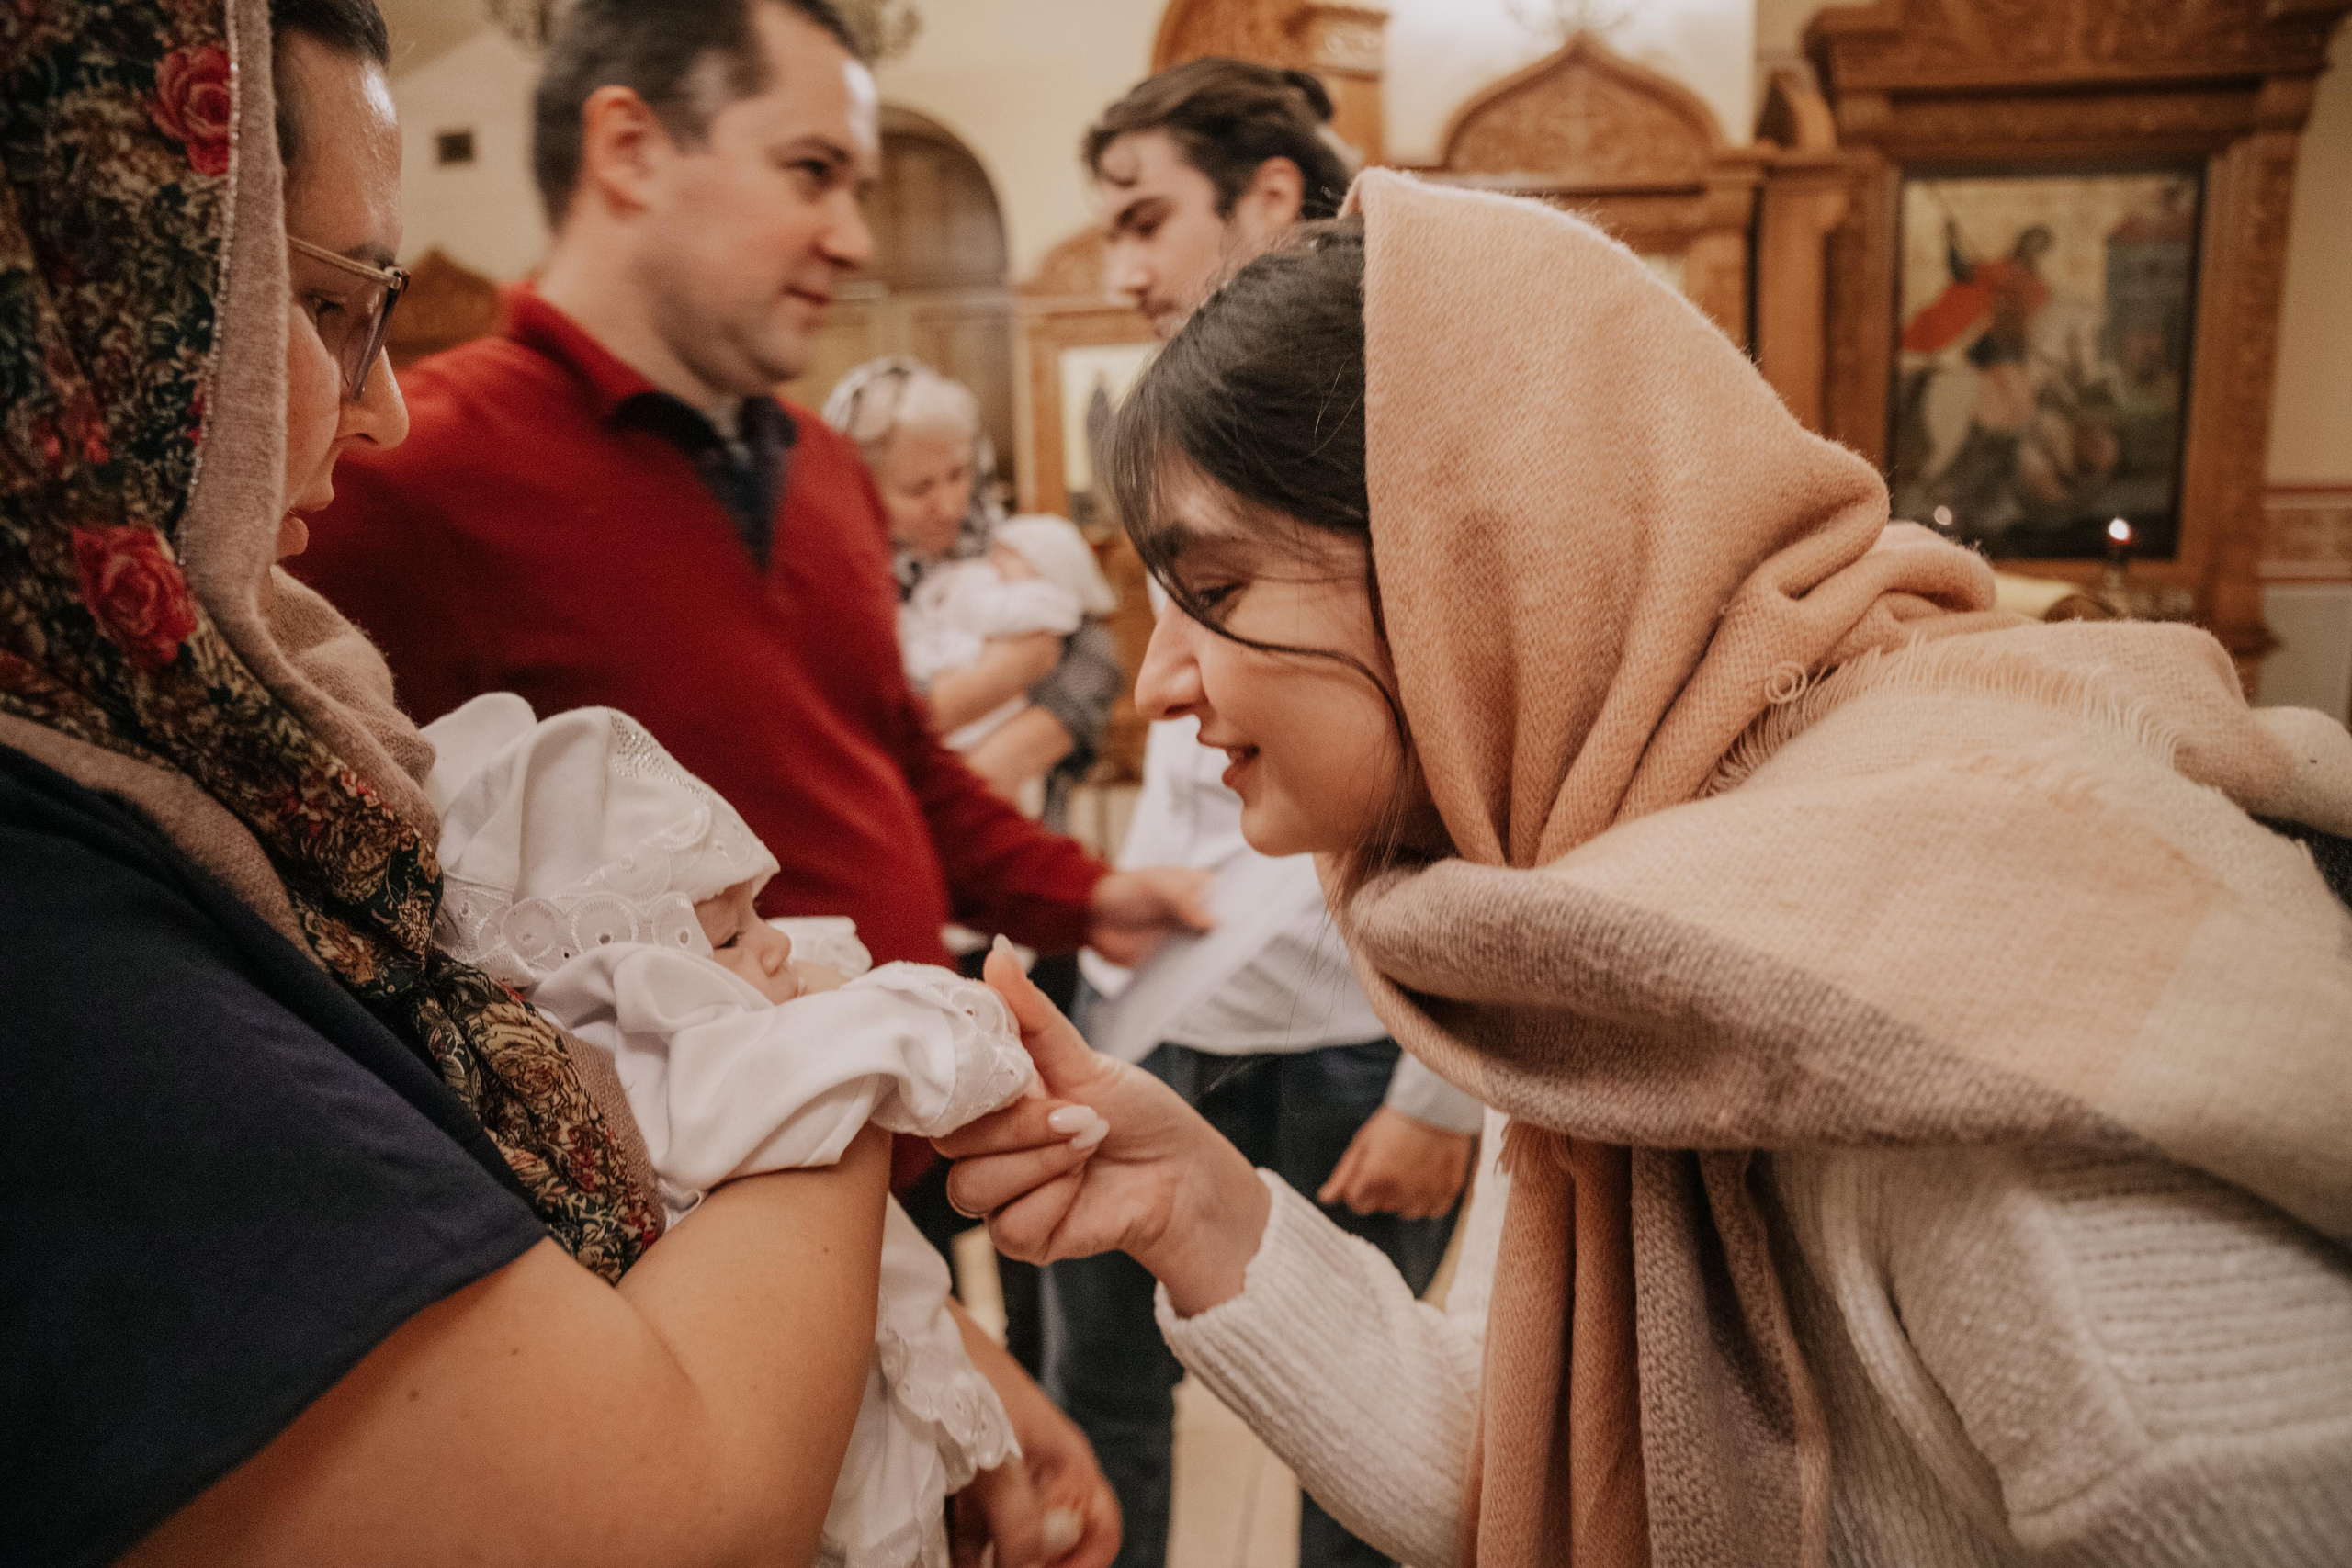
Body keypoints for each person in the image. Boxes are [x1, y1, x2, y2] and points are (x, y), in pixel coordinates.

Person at [938, 173, 2352, 1568]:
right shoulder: (1615, 911)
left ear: (1471, 556)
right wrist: (1198, 1201)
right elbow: (1557, 1480)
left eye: (1218, 590)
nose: (1156, 680)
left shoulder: (1944, 960)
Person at [290, 0, 1204, 983]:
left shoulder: (824, 463)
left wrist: (1084, 895)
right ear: (630, 150)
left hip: (926, 1096)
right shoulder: (411, 468)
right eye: (811, 172)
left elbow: (889, 762)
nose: (854, 237)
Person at [1053, 62, 1484, 1568]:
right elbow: (1191, 750)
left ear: (1273, 198)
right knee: (1108, 1391)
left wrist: (1439, 1093)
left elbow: (1496, 755)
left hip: (1357, 1027)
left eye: (1146, 218)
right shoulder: (1190, 435)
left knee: (1363, 1455)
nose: (1123, 270)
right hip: (1175, 1003)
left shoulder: (1391, 415)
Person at [424, 694, 1104, 1568]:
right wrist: (910, 1019)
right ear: (619, 987)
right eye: (729, 933)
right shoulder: (669, 1087)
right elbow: (869, 1050)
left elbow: (891, 1292)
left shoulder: (729, 1085)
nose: (780, 948)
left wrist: (984, 1436)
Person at [825, 357, 1122, 814]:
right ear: (859, 487)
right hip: (907, 821)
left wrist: (1007, 755)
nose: (948, 506)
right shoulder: (838, 589)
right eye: (918, 489)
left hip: (1026, 815)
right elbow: (855, 734)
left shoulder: (1015, 547)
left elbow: (1098, 666)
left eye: (959, 474)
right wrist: (1005, 672)